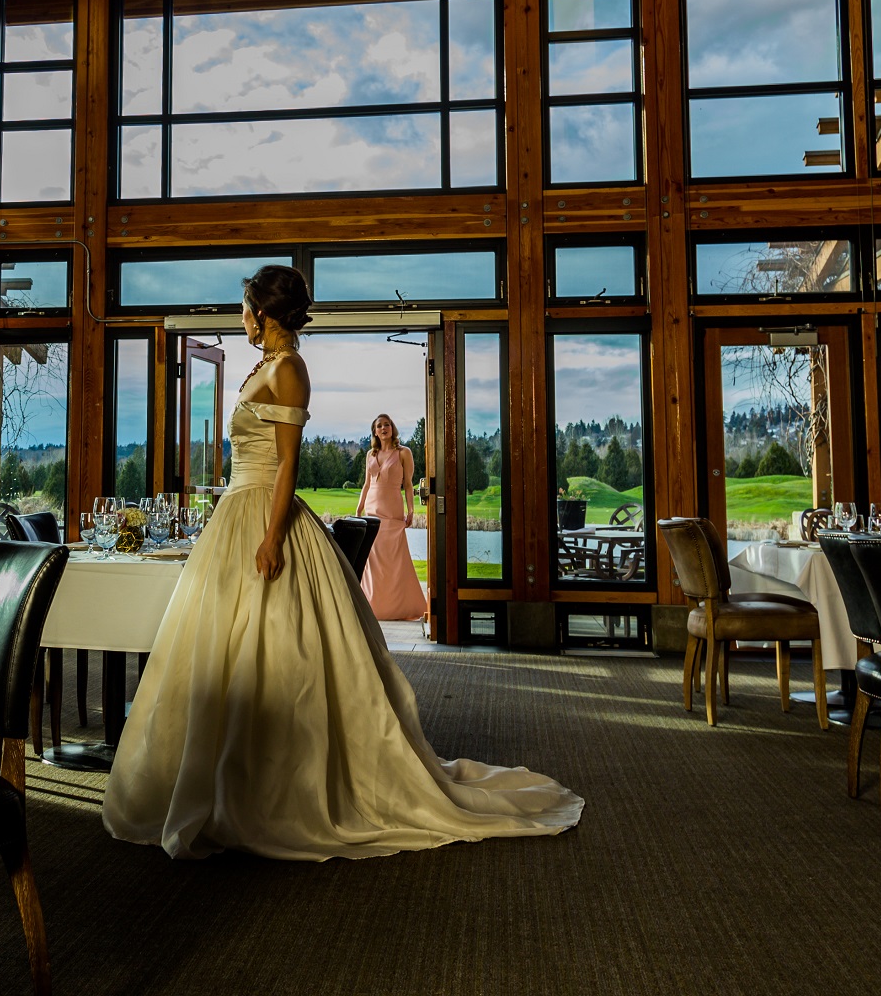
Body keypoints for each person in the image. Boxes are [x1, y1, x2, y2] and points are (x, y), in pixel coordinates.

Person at [103, 265, 583, 861]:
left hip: (264, 516)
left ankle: (268, 789)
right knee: (223, 655)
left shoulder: (290, 369)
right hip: (236, 511)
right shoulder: (261, 365)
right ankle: (220, 778)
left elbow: (287, 464)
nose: (244, 318)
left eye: (248, 308)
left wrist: (273, 536)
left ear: (266, 312)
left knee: (278, 652)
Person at [355, 413, 428, 621]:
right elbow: (366, 485)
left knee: (395, 561)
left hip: (393, 512)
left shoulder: (403, 453)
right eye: (379, 425)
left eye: (387, 424)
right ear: (375, 432)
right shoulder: (370, 454)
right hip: (371, 512)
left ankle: (401, 606)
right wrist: (359, 509)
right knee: (373, 561)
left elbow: (407, 484)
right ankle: (373, 605)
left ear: (392, 428)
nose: (384, 428)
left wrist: (411, 510)